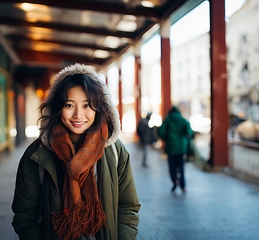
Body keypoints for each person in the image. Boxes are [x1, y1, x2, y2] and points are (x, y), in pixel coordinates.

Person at [11, 63, 140, 240]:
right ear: (57, 108)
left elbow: (127, 207)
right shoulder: (37, 155)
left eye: (87, 105)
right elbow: (24, 217)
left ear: (99, 108)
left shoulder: (115, 151)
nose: (78, 115)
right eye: (69, 105)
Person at [157, 105, 193, 193]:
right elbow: (189, 132)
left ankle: (175, 180)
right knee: (181, 167)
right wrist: (186, 141)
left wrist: (166, 138)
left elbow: (160, 130)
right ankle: (183, 185)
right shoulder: (183, 119)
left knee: (172, 167)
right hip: (181, 148)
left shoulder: (168, 119)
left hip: (171, 147)